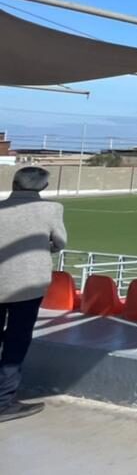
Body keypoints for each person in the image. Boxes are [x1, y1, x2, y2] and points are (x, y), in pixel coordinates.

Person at [0, 167, 67, 423]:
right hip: (26, 285)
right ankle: (3, 401)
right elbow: (60, 242)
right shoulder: (51, 209)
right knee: (17, 340)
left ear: (14, 184)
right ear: (43, 187)